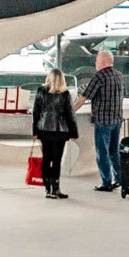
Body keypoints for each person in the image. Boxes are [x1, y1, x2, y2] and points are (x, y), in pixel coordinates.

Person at [73, 49, 125, 192]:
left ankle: (106, 182)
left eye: (96, 60)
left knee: (102, 153)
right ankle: (119, 179)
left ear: (101, 62)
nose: (95, 63)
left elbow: (83, 98)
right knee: (114, 151)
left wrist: (69, 112)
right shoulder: (119, 76)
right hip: (117, 119)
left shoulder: (99, 77)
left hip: (103, 121)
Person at [32, 68, 78, 199]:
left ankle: (48, 189)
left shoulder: (41, 92)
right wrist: (73, 132)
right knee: (57, 160)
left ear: (49, 78)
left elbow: (36, 113)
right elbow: (70, 115)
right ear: (62, 79)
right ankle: (56, 188)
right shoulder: (65, 94)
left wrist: (35, 131)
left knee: (46, 159)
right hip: (60, 131)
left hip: (44, 129)